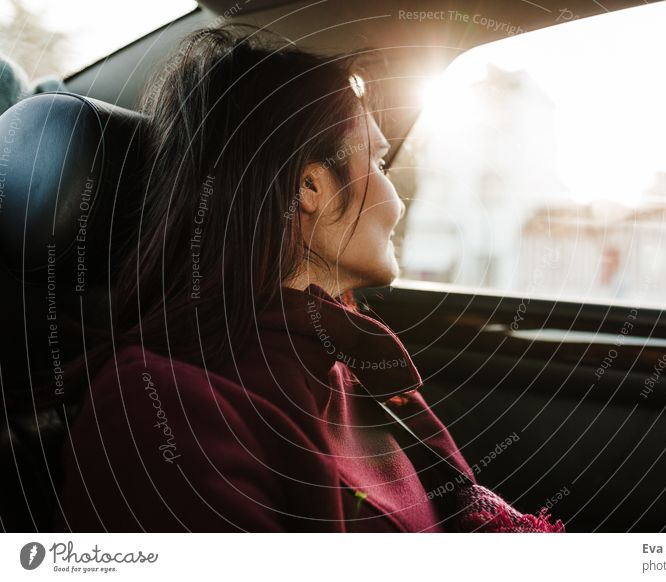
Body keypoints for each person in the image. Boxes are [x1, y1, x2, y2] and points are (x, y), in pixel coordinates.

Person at [52, 24, 564, 533]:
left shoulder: (348, 364)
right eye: (381, 163)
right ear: (310, 185)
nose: (397, 198)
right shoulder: (160, 405)